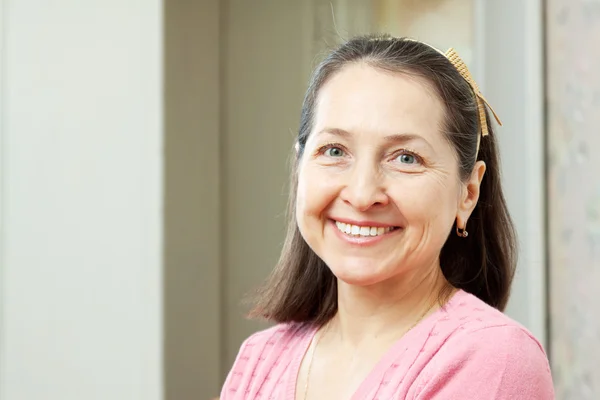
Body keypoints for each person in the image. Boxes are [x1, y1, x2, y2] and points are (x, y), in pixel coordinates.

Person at [219, 35, 555, 399]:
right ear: (300, 167)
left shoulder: (494, 358)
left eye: (406, 158)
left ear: (468, 193)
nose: (362, 195)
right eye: (334, 150)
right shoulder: (260, 360)